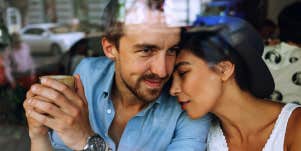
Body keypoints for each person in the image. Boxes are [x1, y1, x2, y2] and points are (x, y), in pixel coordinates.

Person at [23, 1, 211, 151]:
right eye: (146, 50)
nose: (162, 71)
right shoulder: (87, 75)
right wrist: (38, 134)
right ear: (110, 49)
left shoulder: (188, 102)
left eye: (172, 50)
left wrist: (86, 142)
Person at [170, 16, 301, 151]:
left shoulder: (295, 127)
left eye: (183, 72)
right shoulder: (198, 136)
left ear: (224, 69)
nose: (173, 90)